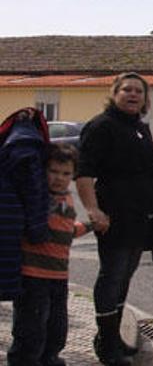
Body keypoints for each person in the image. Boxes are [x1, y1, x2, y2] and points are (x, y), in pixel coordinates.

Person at [76, 73, 153, 366]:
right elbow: (84, 171)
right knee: (112, 276)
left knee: (125, 276)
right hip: (113, 216)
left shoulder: (140, 128)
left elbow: (147, 166)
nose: (133, 95)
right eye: (127, 90)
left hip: (139, 217)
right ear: (114, 93)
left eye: (138, 91)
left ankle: (113, 337)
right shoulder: (101, 126)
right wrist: (93, 210)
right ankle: (106, 343)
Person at [8, 143, 93, 366]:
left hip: (58, 278)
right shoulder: (38, 199)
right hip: (33, 277)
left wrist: (91, 226)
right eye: (53, 171)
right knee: (30, 333)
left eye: (66, 174)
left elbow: (67, 230)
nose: (59, 178)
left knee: (56, 329)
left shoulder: (67, 199)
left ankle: (50, 358)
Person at [0, 108, 51, 302]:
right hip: (9, 223)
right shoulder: (27, 146)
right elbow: (34, 191)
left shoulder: (9, 141)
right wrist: (38, 232)